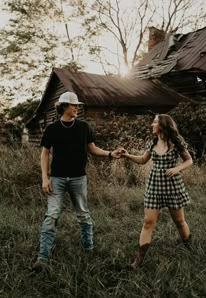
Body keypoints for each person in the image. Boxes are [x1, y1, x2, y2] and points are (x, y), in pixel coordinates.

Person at [32, 91, 121, 271]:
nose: (77, 108)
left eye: (78, 106)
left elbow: (93, 149)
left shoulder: (83, 127)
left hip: (78, 178)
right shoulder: (52, 129)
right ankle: (42, 258)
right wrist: (44, 177)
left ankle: (89, 250)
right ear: (64, 106)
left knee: (83, 215)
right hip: (56, 179)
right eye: (74, 105)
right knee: (51, 216)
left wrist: (110, 154)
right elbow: (45, 153)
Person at [121, 114, 193, 269]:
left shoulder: (176, 142)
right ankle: (137, 262)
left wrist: (177, 168)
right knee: (148, 222)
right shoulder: (151, 143)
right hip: (154, 186)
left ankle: (190, 249)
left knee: (179, 222)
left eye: (154, 122)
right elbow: (142, 160)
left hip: (173, 186)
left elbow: (189, 160)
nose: (151, 124)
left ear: (162, 125)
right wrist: (127, 155)